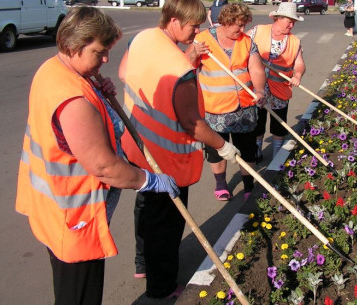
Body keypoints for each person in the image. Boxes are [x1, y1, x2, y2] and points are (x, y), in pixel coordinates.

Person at [15, 7, 179, 305]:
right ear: (75, 45)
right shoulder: (73, 99)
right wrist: (150, 180)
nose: (105, 60)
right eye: (99, 52)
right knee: (79, 295)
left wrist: (98, 91)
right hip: (74, 218)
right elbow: (104, 166)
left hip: (53, 208)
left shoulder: (54, 70)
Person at [118, 0, 240, 300]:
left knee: (146, 211)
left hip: (138, 147)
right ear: (173, 20)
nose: (196, 31)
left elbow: (123, 73)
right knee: (167, 225)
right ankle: (162, 287)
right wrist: (223, 146)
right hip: (166, 160)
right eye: (192, 25)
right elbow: (192, 123)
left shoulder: (143, 39)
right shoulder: (181, 66)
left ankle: (143, 264)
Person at [187, 3, 266, 202]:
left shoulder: (247, 41)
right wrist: (195, 53)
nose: (242, 30)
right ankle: (221, 184)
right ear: (226, 22)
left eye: (244, 25)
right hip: (215, 108)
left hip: (245, 107)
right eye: (238, 26)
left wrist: (259, 90)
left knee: (247, 150)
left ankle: (249, 185)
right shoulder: (202, 40)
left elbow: (256, 69)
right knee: (217, 150)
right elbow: (185, 65)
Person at [247, 2, 306, 161]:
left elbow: (299, 63)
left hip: (280, 90)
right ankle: (257, 150)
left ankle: (277, 154)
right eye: (289, 21)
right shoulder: (257, 31)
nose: (292, 25)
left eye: (294, 22)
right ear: (278, 18)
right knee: (258, 120)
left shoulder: (295, 41)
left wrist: (297, 75)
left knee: (279, 123)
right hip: (257, 87)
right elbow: (241, 46)